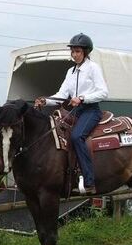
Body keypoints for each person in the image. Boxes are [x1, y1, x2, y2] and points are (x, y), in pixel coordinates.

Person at [34, 33, 108, 194]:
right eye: (73, 51)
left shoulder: (93, 68)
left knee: (76, 136)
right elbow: (62, 94)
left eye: (78, 51)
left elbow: (103, 92)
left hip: (91, 110)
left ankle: (89, 180)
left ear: (86, 52)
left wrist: (82, 98)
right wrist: (46, 100)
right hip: (75, 111)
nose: (74, 55)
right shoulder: (71, 72)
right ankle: (68, 177)